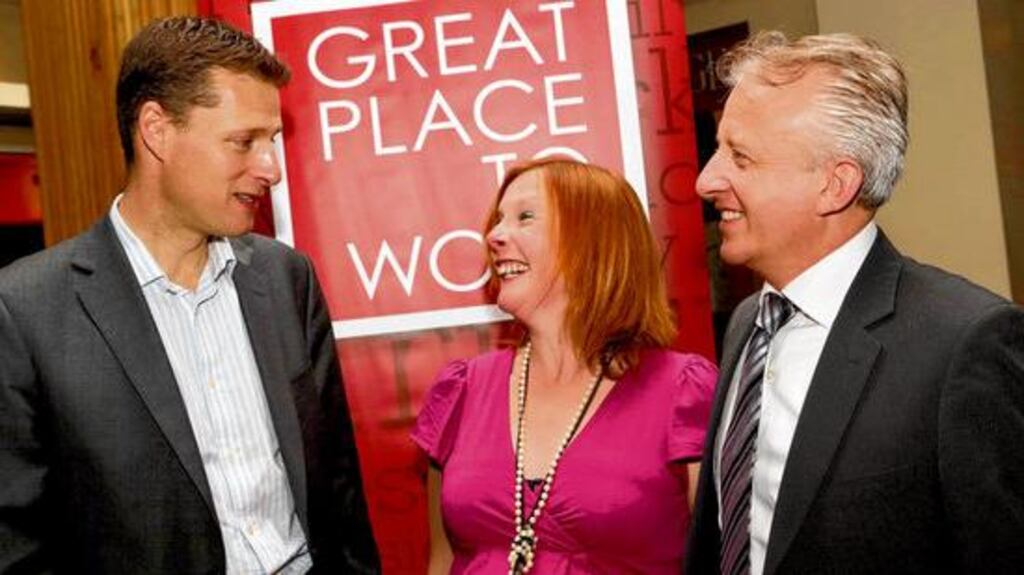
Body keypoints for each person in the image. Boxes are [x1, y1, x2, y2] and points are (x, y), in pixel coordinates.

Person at [0, 16, 380, 573]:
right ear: (156, 129)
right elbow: (17, 545)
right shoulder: (25, 310)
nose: (271, 168)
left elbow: (340, 496)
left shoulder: (286, 279)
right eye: (243, 141)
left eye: (272, 140)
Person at [686, 31, 1024, 575]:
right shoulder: (750, 320)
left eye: (740, 157)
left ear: (835, 185)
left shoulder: (965, 343)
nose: (706, 180)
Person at [411, 158, 718, 574]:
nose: (494, 235)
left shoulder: (682, 393)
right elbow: (442, 562)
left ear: (594, 241)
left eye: (525, 217)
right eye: (499, 219)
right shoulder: (461, 391)